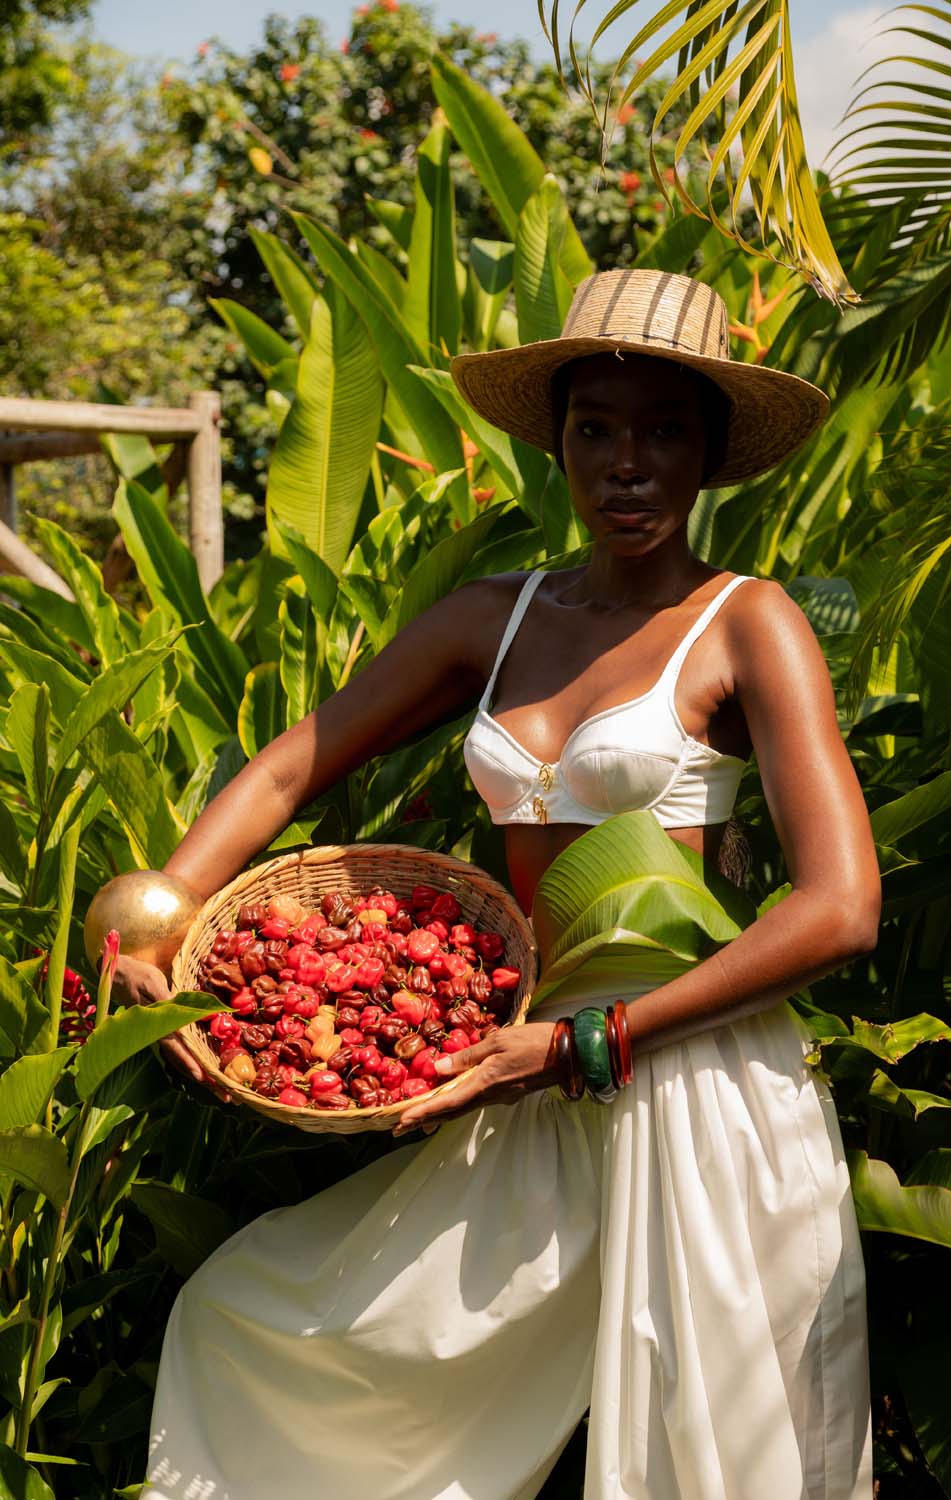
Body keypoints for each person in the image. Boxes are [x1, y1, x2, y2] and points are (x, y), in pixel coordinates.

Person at [124, 268, 880, 1500]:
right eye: (595, 430)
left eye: (662, 432)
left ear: (709, 455)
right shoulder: (496, 616)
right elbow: (289, 768)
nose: (625, 463)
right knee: (260, 1323)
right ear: (557, 444)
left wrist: (594, 1042)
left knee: (708, 1457)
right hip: (515, 1075)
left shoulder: (749, 624)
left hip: (686, 1080)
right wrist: (158, 922)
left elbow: (840, 907)